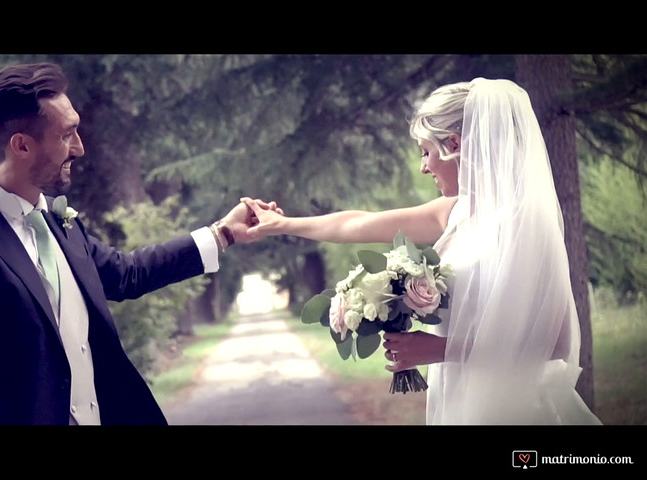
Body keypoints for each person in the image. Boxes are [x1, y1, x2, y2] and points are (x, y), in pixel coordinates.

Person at [0, 62, 280, 425]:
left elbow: (126, 274)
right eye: (66, 134)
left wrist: (223, 233)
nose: (80, 148)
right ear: (21, 146)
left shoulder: (59, 220)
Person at [241, 78, 602, 425]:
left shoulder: (527, 221)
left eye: (427, 152)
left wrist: (438, 350)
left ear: (455, 144)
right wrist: (284, 224)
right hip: (460, 395)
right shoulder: (455, 211)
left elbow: (557, 341)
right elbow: (359, 224)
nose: (423, 166)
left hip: (516, 404)